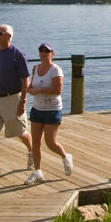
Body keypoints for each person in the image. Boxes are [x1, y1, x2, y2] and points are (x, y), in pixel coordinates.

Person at [0, 24, 33, 181]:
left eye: (0, 33)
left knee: (20, 132)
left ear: (9, 36)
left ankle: (31, 152)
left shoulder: (18, 55)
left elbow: (25, 81)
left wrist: (22, 101)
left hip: (12, 98)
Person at [24, 42, 73, 184]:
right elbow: (33, 86)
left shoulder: (55, 70)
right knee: (36, 143)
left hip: (52, 110)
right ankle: (38, 171)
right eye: (41, 51)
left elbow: (57, 90)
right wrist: (29, 89)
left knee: (50, 143)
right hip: (37, 110)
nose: (44, 54)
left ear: (52, 54)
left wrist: (38, 91)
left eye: (47, 51)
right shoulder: (35, 68)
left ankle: (65, 156)